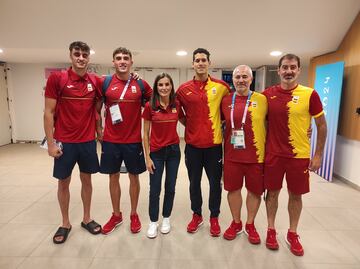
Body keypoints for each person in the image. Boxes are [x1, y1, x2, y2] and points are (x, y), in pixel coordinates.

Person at [263, 54, 327, 256]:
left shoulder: (310, 94)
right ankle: (271, 229)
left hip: (299, 155)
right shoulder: (266, 95)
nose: (288, 71)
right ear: (278, 70)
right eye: (285, 67)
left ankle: (292, 233)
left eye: (293, 67)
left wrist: (318, 155)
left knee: (295, 195)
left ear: (299, 70)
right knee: (271, 194)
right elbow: (259, 120)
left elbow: (322, 125)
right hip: (273, 154)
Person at [44, 41, 102, 244]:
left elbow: (99, 105)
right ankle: (65, 222)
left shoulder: (95, 81)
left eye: (85, 54)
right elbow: (48, 113)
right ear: (70, 55)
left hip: (87, 142)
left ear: (89, 58)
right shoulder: (57, 79)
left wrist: (99, 129)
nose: (81, 57)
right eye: (77, 54)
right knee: (64, 182)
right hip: (64, 142)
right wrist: (51, 144)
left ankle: (87, 218)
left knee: (87, 181)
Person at [176, 48, 230, 236]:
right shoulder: (183, 90)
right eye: (197, 60)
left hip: (214, 146)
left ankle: (214, 217)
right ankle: (197, 215)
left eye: (203, 60)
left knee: (216, 184)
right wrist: (190, 125)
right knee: (194, 183)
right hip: (192, 147)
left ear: (209, 63)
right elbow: (178, 114)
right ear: (192, 64)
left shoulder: (222, 87)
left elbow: (230, 112)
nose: (200, 63)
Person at [100, 47, 152, 235]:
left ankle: (133, 214)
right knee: (113, 176)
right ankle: (116, 214)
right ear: (113, 62)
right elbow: (96, 108)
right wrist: (99, 131)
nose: (122, 61)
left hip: (132, 141)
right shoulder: (105, 83)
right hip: (111, 140)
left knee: (133, 177)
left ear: (131, 62)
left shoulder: (141, 85)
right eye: (118, 58)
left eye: (125, 58)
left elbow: (155, 103)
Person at [221, 65, 267, 243]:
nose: (241, 80)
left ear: (251, 79)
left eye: (244, 77)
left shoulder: (262, 99)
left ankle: (250, 224)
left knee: (254, 191)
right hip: (232, 155)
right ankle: (236, 222)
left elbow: (276, 122)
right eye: (237, 77)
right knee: (233, 190)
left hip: (256, 156)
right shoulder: (225, 100)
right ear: (233, 80)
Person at [142, 73, 182, 238]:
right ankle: (153, 221)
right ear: (156, 87)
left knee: (170, 187)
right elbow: (145, 134)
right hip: (156, 153)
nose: (164, 88)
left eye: (167, 84)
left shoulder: (176, 104)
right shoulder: (150, 106)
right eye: (160, 85)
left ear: (171, 86)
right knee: (155, 189)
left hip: (174, 152)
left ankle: (166, 218)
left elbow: (186, 120)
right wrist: (148, 157)